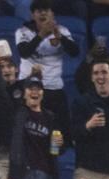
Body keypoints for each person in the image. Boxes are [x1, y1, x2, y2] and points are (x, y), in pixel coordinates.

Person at [15, 0, 79, 145]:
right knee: (28, 135)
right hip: (29, 90)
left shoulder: (62, 31)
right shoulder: (23, 31)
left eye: (46, 10)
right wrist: (41, 35)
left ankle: (56, 160)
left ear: (52, 14)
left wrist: (61, 38)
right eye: (39, 10)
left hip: (53, 89)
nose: (43, 13)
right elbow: (24, 52)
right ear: (33, 15)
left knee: (59, 136)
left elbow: (75, 52)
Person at [9, 76, 57, 179]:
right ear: (24, 93)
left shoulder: (50, 117)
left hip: (45, 172)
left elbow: (55, 150)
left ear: (43, 93)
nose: (34, 92)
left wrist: (58, 146)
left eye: (38, 89)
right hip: (24, 172)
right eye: (30, 89)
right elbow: (6, 91)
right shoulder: (19, 113)